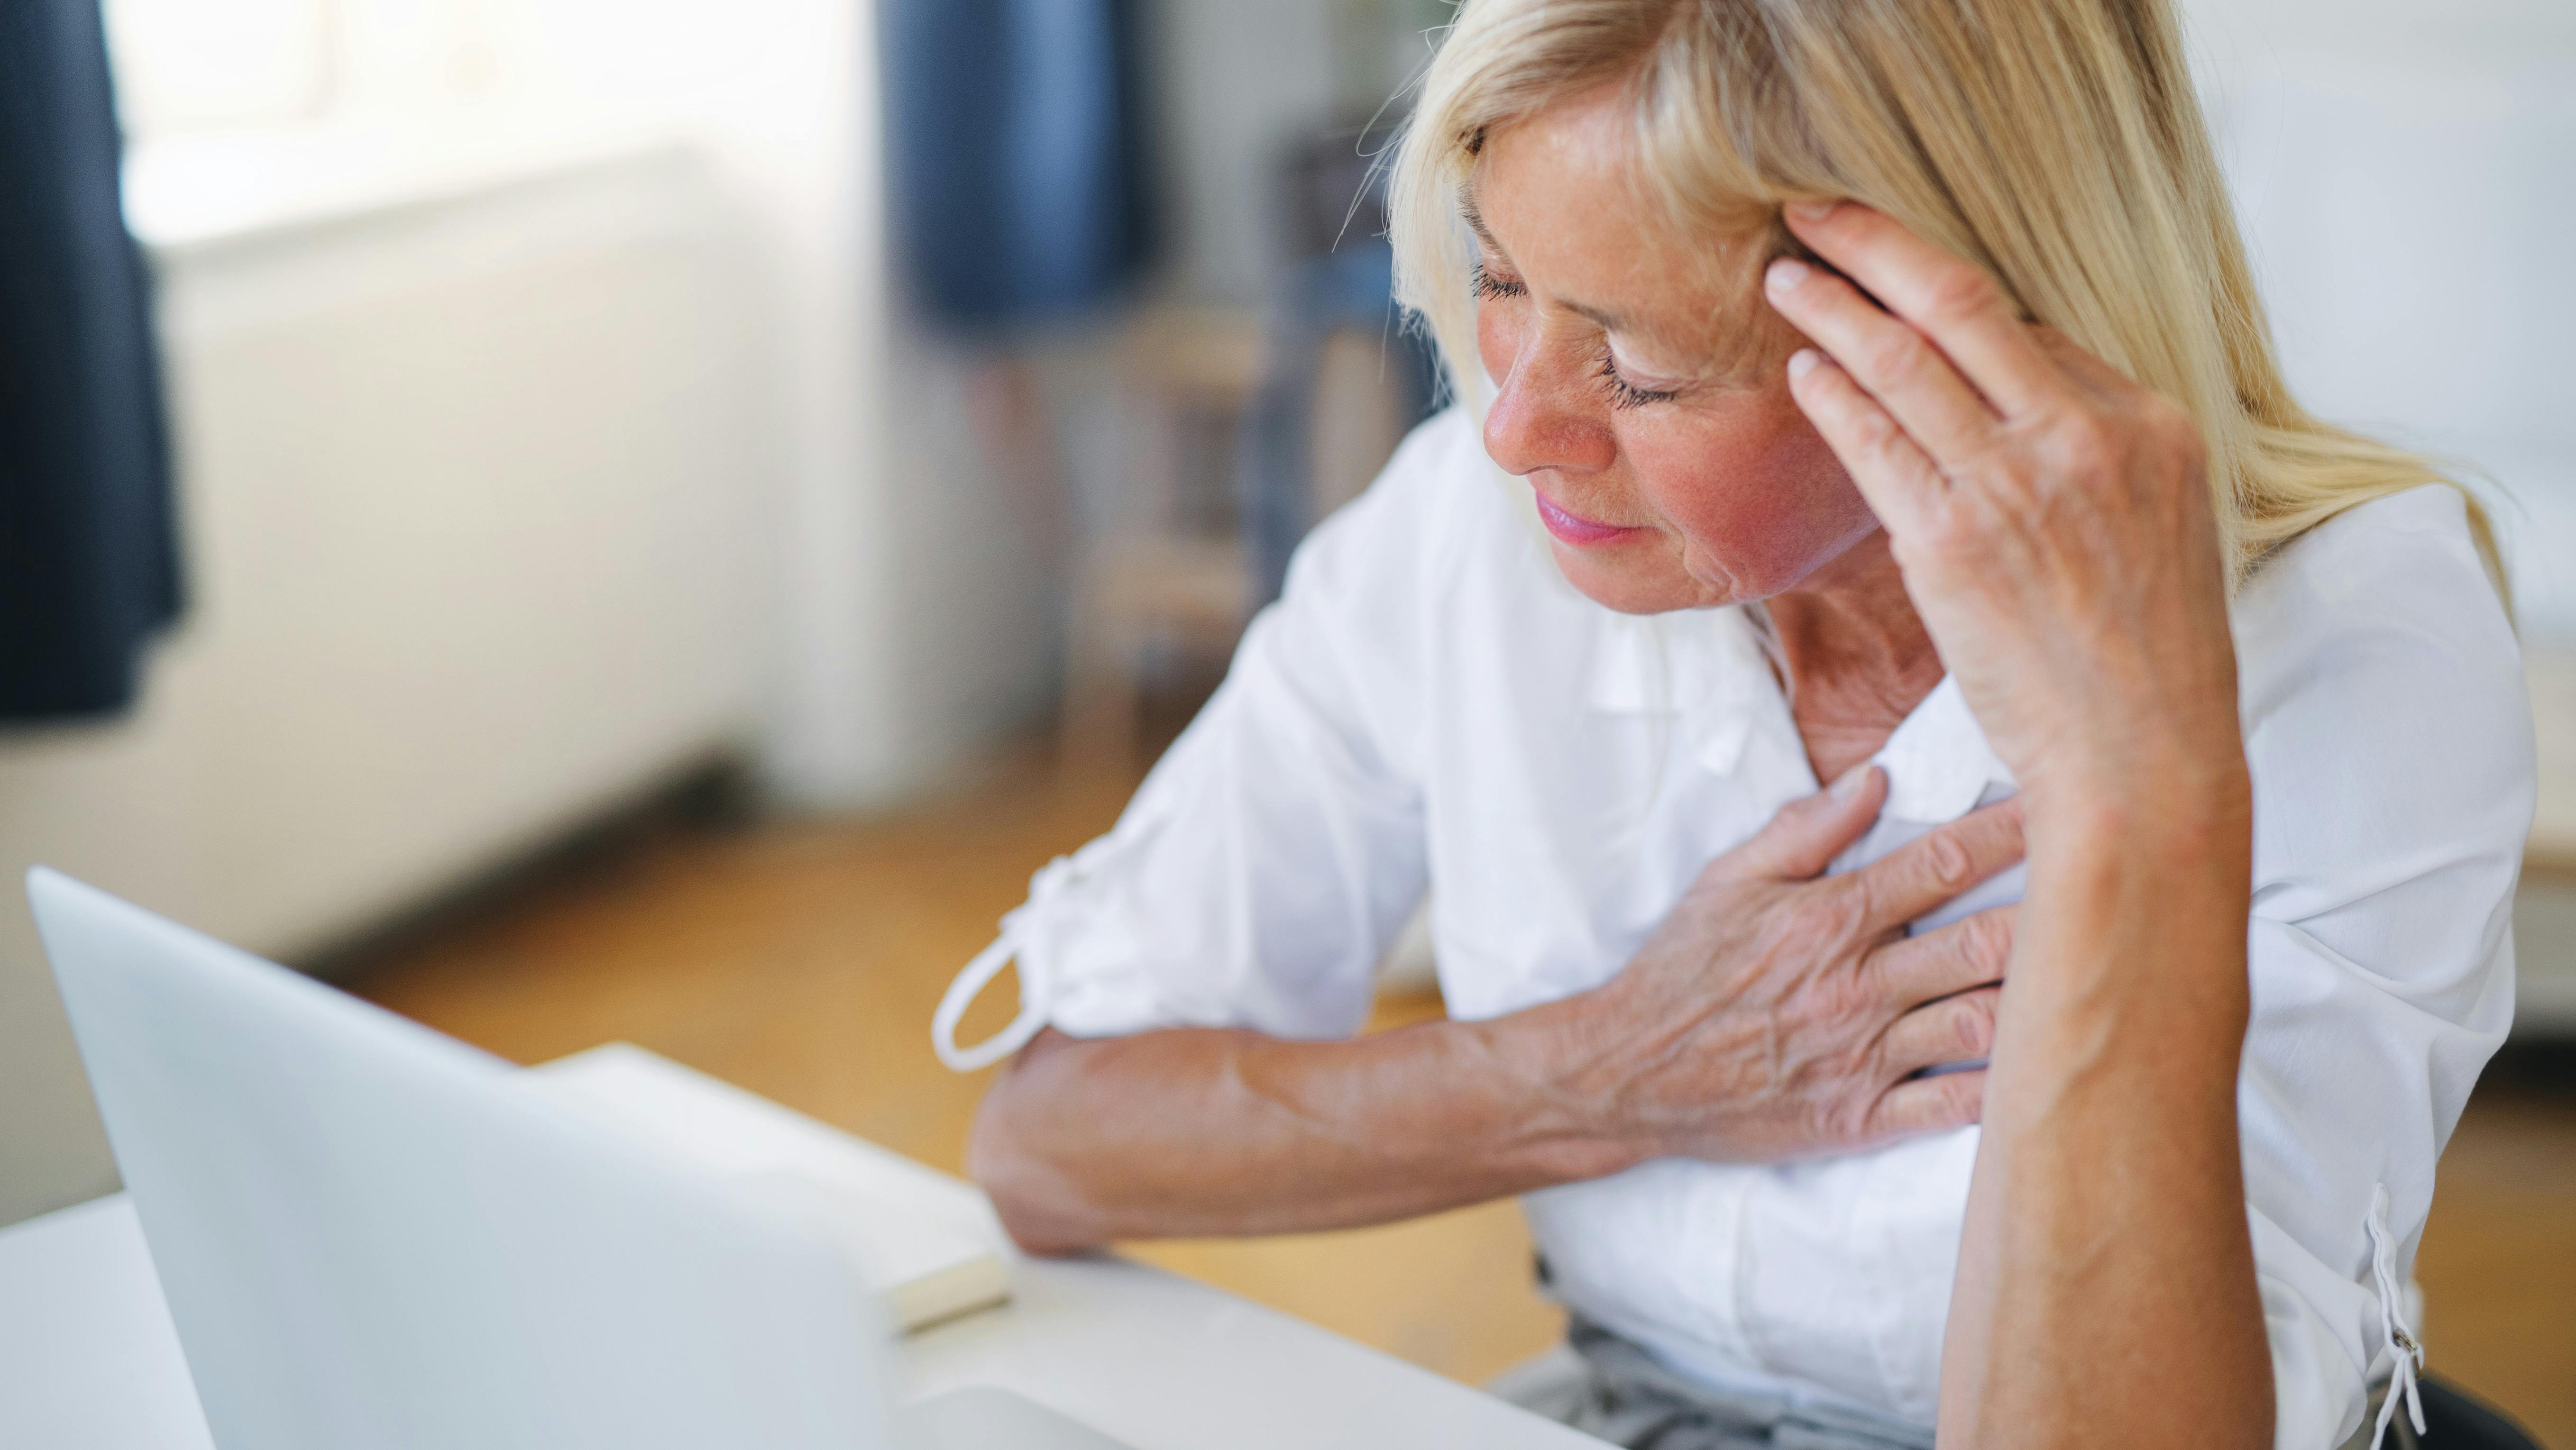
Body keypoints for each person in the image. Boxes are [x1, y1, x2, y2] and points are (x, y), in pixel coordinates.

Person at [932, 2, 2533, 1446]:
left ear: (1960, 336)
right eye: (1497, 280)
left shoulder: (2351, 637)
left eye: (1635, 365)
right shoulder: (1465, 539)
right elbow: (1053, 1137)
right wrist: (1615, 1069)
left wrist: (2127, 782)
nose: (1510, 428)